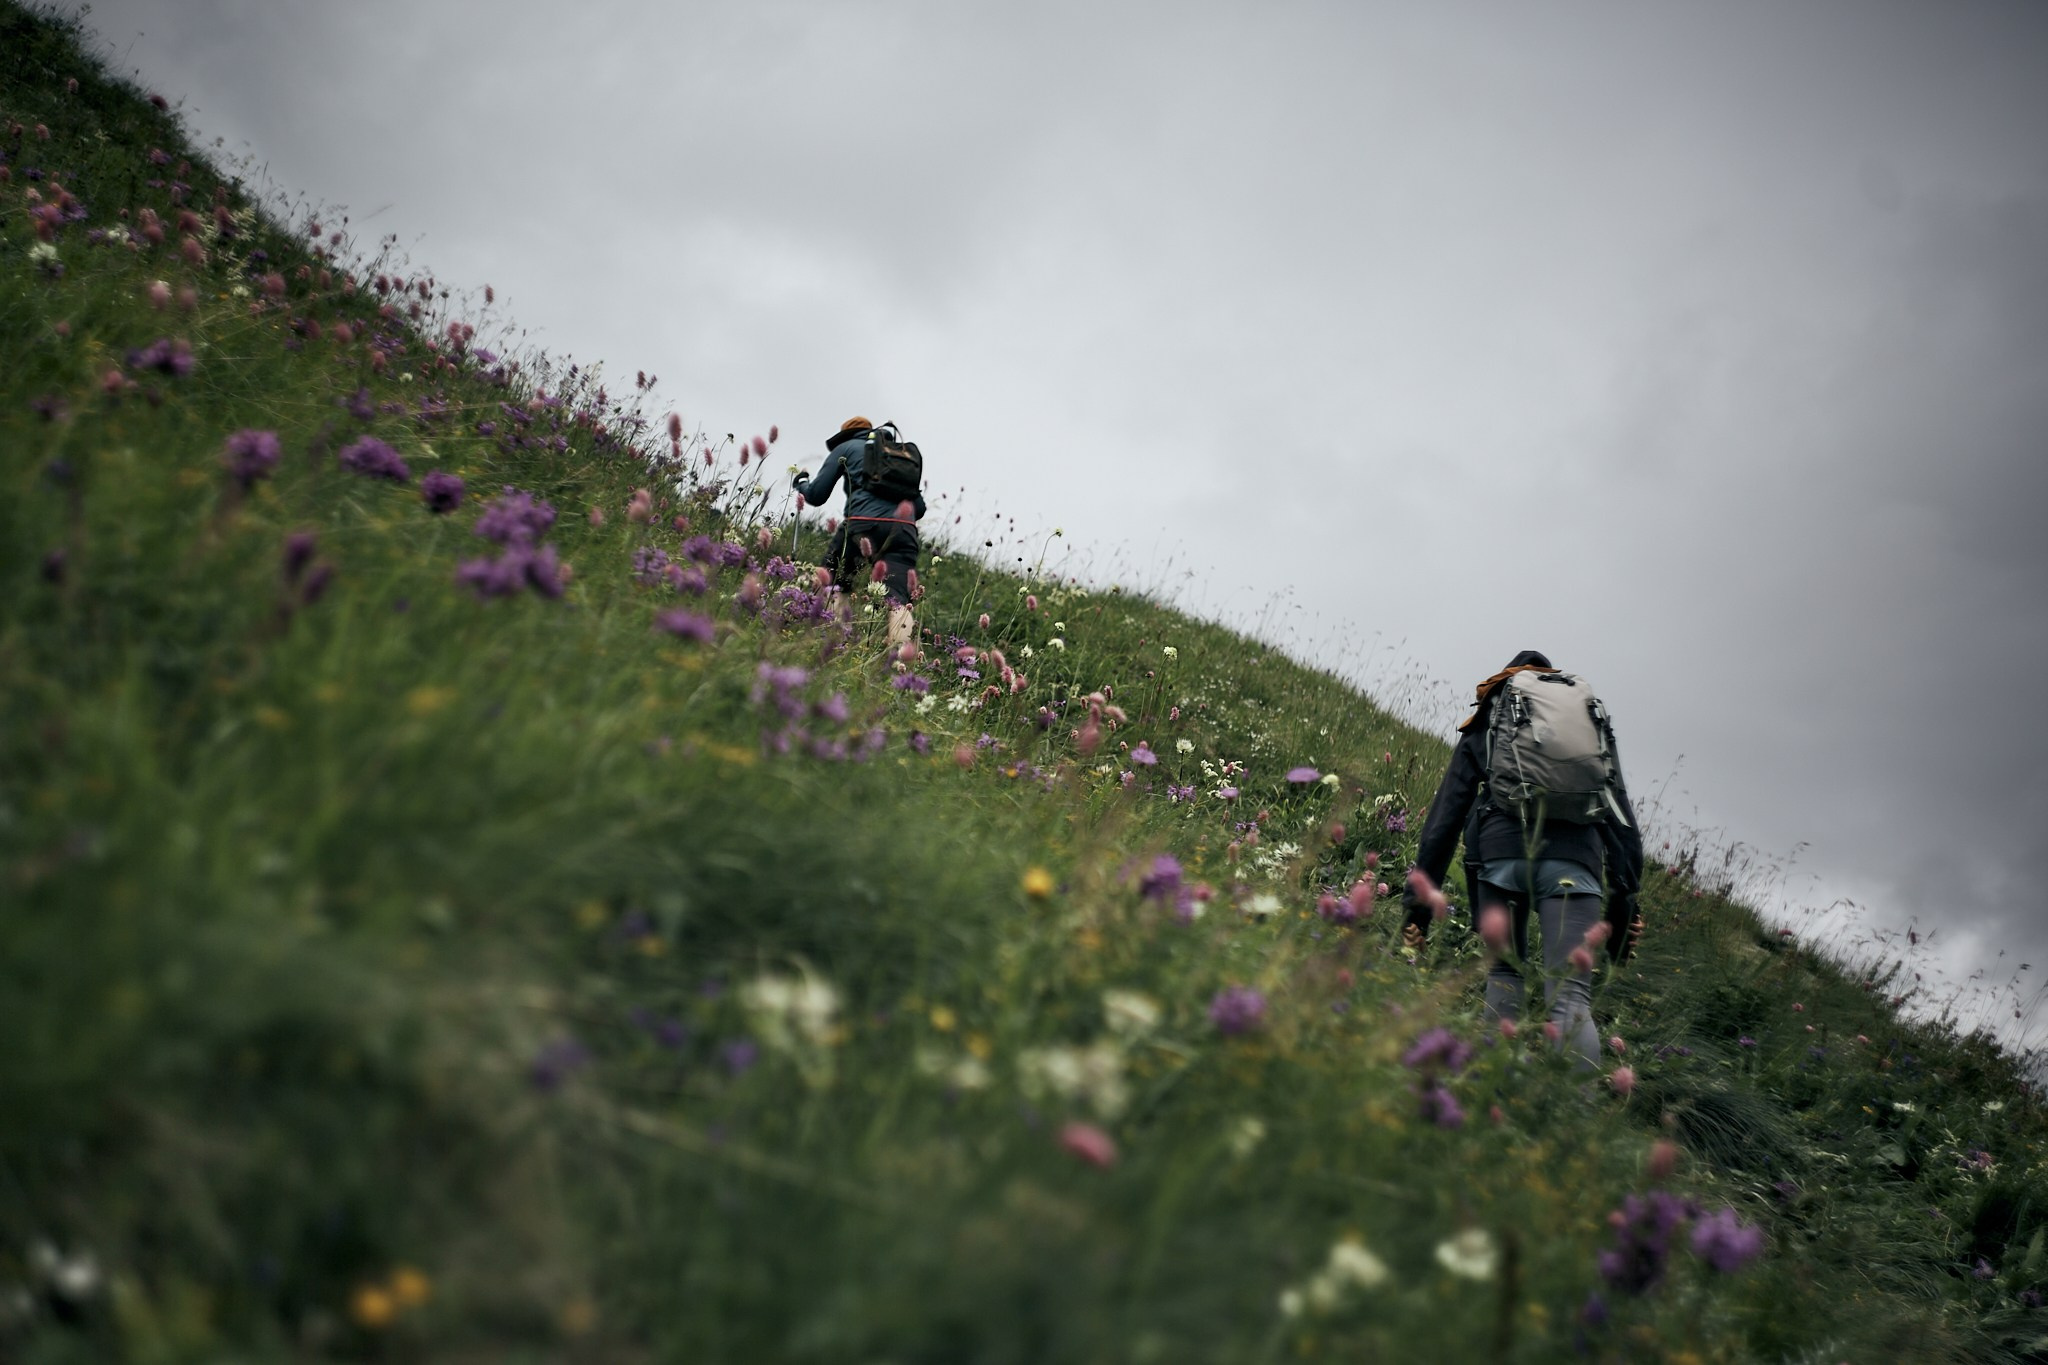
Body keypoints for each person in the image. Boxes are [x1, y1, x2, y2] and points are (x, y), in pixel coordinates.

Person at [1403, 649, 1645, 1068]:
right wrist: (1624, 912)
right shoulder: (1589, 721)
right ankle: (1574, 1117)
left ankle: (1492, 1098)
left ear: (1511, 675)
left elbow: (1444, 821)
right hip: (1576, 864)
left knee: (1504, 976)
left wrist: (1417, 913)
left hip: (1501, 862)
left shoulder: (1493, 714)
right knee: (1570, 996)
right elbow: (1618, 814)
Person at [793, 416, 926, 650]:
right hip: (903, 531)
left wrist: (801, 483)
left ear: (845, 436)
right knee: (898, 601)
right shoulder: (896, 454)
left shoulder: (846, 448)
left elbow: (816, 494)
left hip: (861, 525)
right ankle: (898, 662)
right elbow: (921, 508)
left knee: (836, 584)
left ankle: (833, 643)